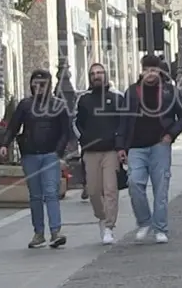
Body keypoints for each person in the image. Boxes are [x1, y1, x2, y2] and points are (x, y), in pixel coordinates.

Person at [118, 55, 182, 244]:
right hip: (136, 147)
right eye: (146, 70)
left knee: (161, 189)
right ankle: (144, 221)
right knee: (134, 184)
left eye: (153, 70)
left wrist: (170, 135)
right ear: (141, 71)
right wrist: (121, 147)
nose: (150, 74)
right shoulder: (132, 92)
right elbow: (123, 120)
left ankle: (160, 228)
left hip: (160, 145)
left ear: (160, 71)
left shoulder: (169, 91)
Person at [1, 69, 72, 249]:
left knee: (51, 192)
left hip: (50, 155)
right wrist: (5, 143)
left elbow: (66, 132)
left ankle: (55, 231)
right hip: (30, 154)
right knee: (35, 195)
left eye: (43, 83)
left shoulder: (59, 105)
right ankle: (39, 232)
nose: (39, 87)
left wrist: (58, 152)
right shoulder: (25, 105)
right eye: (35, 83)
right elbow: (13, 127)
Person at [74, 63, 126, 245]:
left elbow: (123, 122)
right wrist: (83, 138)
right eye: (93, 73)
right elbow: (76, 122)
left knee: (111, 190)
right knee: (94, 190)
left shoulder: (117, 97)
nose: (97, 76)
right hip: (90, 151)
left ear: (106, 75)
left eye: (100, 73)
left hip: (110, 150)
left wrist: (121, 145)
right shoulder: (83, 100)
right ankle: (102, 217)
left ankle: (109, 227)